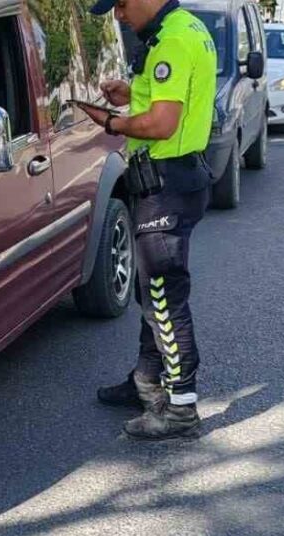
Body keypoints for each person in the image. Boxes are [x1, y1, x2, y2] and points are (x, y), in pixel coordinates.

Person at [82, 0, 217, 440]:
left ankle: (180, 408)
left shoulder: (172, 40)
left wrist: (112, 121)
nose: (119, 16)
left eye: (120, 5)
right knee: (151, 292)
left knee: (163, 294)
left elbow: (161, 123)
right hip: (180, 179)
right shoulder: (186, 26)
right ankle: (145, 381)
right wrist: (131, 95)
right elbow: (175, 97)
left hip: (165, 185)